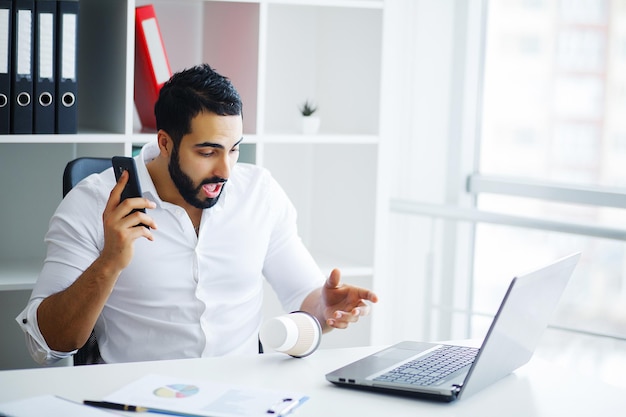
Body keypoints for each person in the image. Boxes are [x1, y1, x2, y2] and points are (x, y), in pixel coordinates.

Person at [16, 64, 378, 365]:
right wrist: (109, 262)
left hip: (241, 397)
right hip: (138, 399)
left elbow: (304, 297)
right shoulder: (94, 203)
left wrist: (325, 307)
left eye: (234, 149)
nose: (226, 170)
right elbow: (48, 345)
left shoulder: (259, 194)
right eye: (208, 152)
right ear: (165, 142)